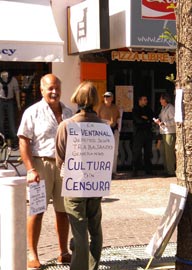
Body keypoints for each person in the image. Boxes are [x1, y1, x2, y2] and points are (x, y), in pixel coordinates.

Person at [17, 74, 72, 269]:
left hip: (64, 166)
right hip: (41, 165)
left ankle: (63, 252)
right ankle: (32, 253)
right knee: (37, 210)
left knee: (63, 211)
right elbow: (23, 140)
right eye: (50, 88)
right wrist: (30, 169)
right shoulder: (32, 112)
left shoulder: (68, 112)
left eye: (57, 88)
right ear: (41, 90)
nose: (54, 92)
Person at [56, 81, 108, 270]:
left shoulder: (67, 125)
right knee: (95, 229)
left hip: (74, 184)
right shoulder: (105, 127)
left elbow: (60, 158)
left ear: (77, 98)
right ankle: (93, 266)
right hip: (96, 184)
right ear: (95, 100)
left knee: (79, 233)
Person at [97, 91, 121, 178]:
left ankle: (113, 171)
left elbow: (118, 118)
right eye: (105, 97)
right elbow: (97, 118)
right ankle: (103, 172)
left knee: (114, 152)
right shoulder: (100, 107)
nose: (106, 98)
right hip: (103, 131)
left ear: (112, 98)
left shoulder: (115, 107)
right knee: (103, 152)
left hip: (113, 130)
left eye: (108, 97)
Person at [154, 93, 176, 177]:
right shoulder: (163, 108)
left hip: (170, 132)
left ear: (165, 100)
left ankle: (171, 171)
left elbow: (174, 120)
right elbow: (161, 117)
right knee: (164, 152)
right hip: (163, 132)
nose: (160, 101)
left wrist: (164, 123)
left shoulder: (171, 108)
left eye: (161, 99)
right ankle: (166, 170)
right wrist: (158, 120)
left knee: (169, 153)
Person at [132, 95, 154, 176]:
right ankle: (135, 170)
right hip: (138, 134)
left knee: (148, 152)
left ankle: (148, 170)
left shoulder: (148, 109)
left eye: (146, 99)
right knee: (137, 152)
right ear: (140, 100)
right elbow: (137, 120)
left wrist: (146, 119)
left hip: (147, 133)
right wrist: (146, 120)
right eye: (144, 100)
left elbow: (152, 118)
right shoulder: (135, 109)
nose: (146, 101)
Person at [0, 70, 21, 148]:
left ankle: (14, 140)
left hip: (10, 101)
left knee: (11, 120)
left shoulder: (13, 80)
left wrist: (18, 104)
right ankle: (1, 140)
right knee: (0, 121)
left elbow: (17, 91)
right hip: (1, 101)